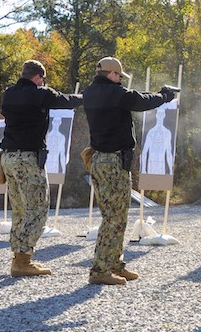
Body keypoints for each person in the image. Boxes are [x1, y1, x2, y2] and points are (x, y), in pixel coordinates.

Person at [83, 56, 175, 285]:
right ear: (112, 74)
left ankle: (115, 264)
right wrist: (163, 95)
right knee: (113, 218)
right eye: (118, 77)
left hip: (102, 160)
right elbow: (140, 100)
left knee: (118, 216)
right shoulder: (114, 94)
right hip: (112, 162)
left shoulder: (90, 92)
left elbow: (132, 98)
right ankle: (100, 270)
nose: (120, 81)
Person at [0, 60, 82, 277]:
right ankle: (23, 259)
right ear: (38, 77)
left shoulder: (8, 94)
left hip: (8, 157)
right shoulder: (40, 93)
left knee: (19, 209)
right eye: (42, 80)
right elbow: (66, 100)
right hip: (28, 158)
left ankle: (18, 255)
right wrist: (87, 97)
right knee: (37, 209)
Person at [140, 106, 174, 174]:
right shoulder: (151, 132)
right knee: (148, 184)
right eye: (159, 114)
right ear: (156, 115)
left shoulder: (167, 133)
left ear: (164, 115)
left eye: (162, 114)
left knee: (160, 184)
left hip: (161, 166)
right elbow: (144, 152)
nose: (160, 117)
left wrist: (170, 170)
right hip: (151, 165)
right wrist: (143, 169)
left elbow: (168, 153)